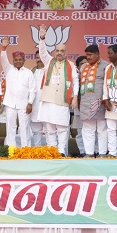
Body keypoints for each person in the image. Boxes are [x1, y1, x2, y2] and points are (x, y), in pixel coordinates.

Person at [36, 25, 79, 155]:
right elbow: (42, 52)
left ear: (66, 53)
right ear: (55, 52)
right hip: (48, 101)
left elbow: (76, 81)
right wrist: (42, 39)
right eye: (57, 50)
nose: (59, 53)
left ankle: (60, 151)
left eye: (62, 51)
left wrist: (75, 96)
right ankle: (52, 150)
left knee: (62, 128)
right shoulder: (49, 61)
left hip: (62, 101)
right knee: (49, 128)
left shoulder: (71, 65)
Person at [0, 38, 36, 147]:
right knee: (10, 126)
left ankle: (26, 149)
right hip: (10, 103)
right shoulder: (8, 69)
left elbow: (32, 90)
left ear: (24, 60)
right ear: (13, 61)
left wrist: (30, 103)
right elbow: (3, 59)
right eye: (16, 59)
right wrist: (3, 48)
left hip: (24, 104)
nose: (18, 61)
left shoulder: (29, 73)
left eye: (20, 59)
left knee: (24, 127)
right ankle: (11, 149)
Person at [78, 44, 109, 157]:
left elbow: (108, 84)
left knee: (101, 129)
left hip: (100, 102)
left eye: (90, 55)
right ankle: (89, 154)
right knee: (87, 130)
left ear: (97, 54)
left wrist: (105, 98)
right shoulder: (83, 67)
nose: (88, 57)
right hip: (86, 102)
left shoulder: (106, 66)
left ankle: (102, 154)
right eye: (87, 55)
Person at [30, 52, 47, 146]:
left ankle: (51, 151)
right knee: (36, 130)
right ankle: (38, 150)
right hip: (35, 104)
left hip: (47, 103)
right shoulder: (31, 71)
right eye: (37, 57)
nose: (39, 59)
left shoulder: (50, 70)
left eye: (41, 57)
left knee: (49, 129)